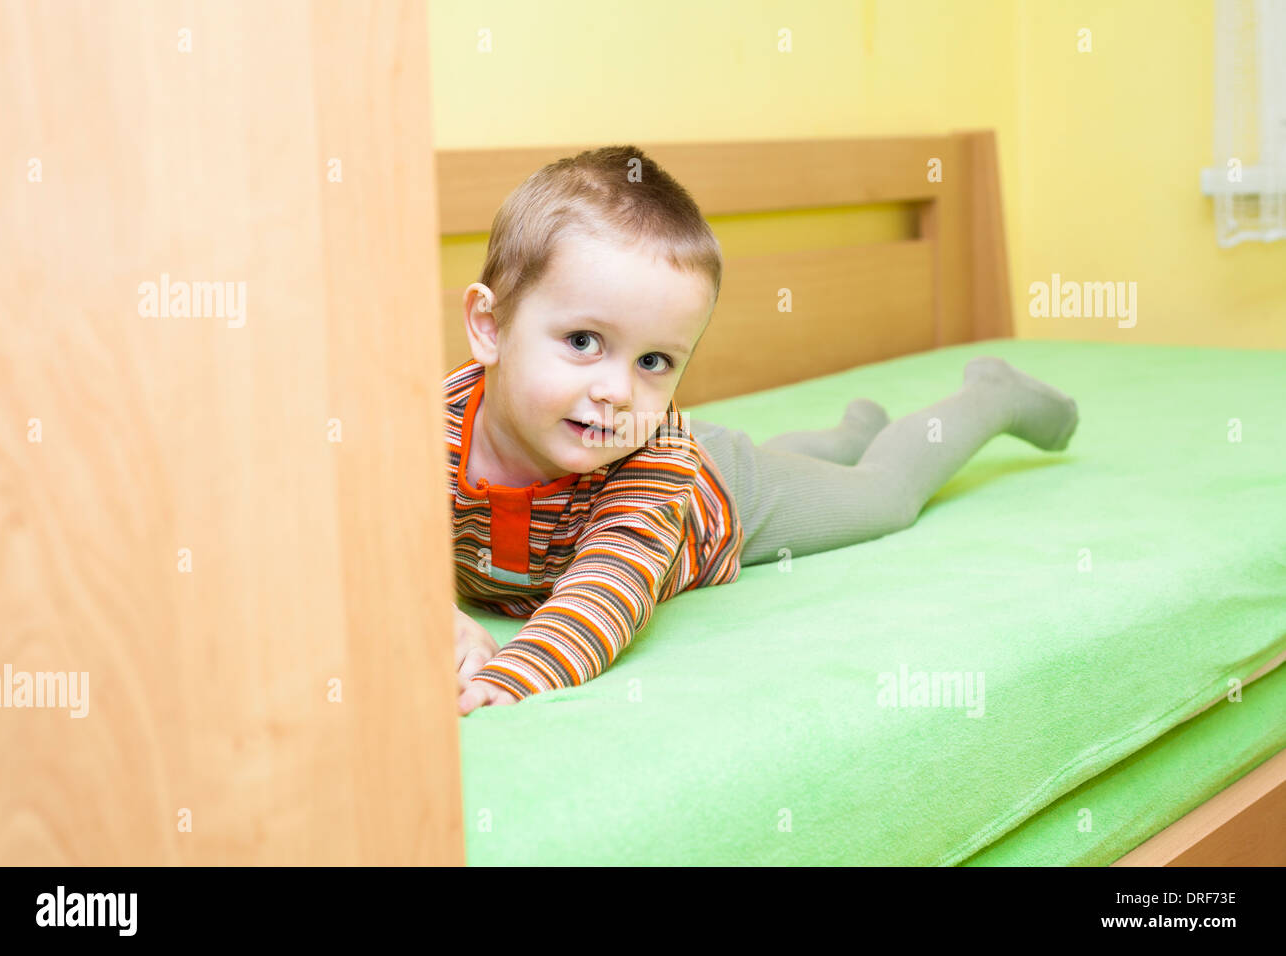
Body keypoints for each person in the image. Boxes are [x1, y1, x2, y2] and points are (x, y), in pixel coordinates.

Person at [450, 146, 1078, 715]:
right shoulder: (422, 435)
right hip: (717, 463)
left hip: (724, 494)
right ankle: (851, 431)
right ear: (489, 326)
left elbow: (603, 593)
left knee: (882, 497)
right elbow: (373, 550)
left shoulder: (651, 465)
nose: (617, 392)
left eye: (654, 362)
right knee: (793, 464)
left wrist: (518, 672)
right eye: (583, 341)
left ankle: (990, 395)